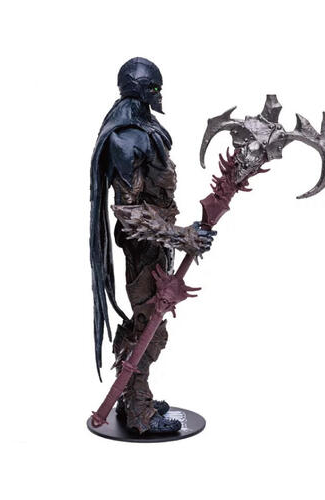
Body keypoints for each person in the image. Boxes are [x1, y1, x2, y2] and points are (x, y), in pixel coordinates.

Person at [90, 57, 215, 433]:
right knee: (151, 325)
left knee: (147, 321)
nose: (159, 94)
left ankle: (131, 394)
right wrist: (181, 236)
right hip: (143, 245)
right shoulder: (126, 137)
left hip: (158, 239)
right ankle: (139, 411)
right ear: (140, 88)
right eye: (154, 88)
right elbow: (129, 213)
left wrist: (178, 234)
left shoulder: (143, 127)